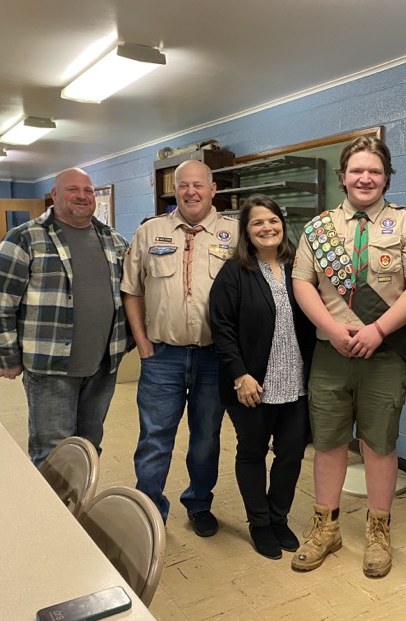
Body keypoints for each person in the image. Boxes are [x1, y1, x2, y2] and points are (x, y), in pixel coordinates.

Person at [290, 136, 406, 578]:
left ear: (386, 177)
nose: (365, 178)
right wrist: (332, 329)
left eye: (374, 171)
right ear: (343, 176)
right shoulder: (319, 228)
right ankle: (326, 528)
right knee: (328, 442)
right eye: (357, 170)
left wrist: (378, 329)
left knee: (379, 444)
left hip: (383, 352)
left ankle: (377, 532)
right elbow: (302, 283)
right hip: (330, 352)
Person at [0, 167, 129, 466]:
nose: (82, 196)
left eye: (88, 190)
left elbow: (128, 295)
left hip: (102, 366)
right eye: (73, 189)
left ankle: (80, 498)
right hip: (50, 368)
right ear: (55, 194)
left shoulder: (113, 239)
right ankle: (52, 500)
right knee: (53, 453)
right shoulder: (24, 238)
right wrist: (8, 356)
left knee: (89, 447)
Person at [121, 159, 239, 533]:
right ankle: (149, 512)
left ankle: (199, 503)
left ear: (213, 189)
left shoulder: (235, 234)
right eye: (183, 185)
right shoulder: (150, 232)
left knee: (206, 439)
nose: (191, 192)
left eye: (198, 185)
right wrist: (143, 344)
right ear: (175, 190)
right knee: (154, 439)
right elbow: (131, 289)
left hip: (214, 358)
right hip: (162, 356)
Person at [209, 194, 315, 559]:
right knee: (252, 452)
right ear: (246, 230)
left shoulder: (298, 267)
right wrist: (240, 376)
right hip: (253, 385)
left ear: (282, 225)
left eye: (273, 220)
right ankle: (259, 523)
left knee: (291, 454)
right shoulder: (234, 272)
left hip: (296, 383)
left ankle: (278, 517)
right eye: (257, 222)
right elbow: (221, 328)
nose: (267, 228)